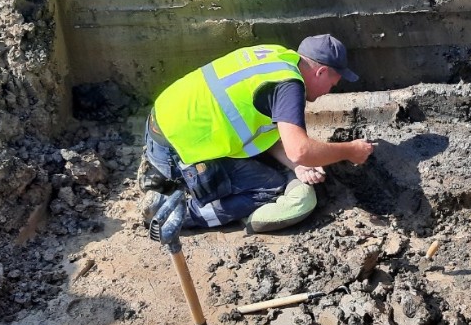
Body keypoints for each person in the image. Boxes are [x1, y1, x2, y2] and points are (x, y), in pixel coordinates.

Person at [137, 34, 374, 232]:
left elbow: (260, 128)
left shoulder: (274, 56)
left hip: (159, 126)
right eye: (333, 83)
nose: (330, 90)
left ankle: (159, 174)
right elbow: (301, 150)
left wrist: (297, 165)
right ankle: (180, 213)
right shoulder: (289, 86)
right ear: (321, 72)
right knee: (271, 187)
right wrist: (350, 151)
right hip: (182, 151)